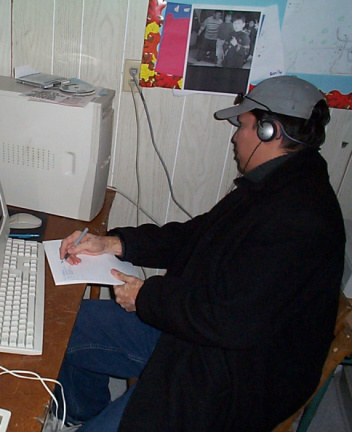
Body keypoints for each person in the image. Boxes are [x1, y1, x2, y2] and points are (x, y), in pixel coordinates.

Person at [54, 75, 345, 432]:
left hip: (235, 377)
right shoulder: (274, 184)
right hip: (200, 333)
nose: (236, 136)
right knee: (64, 324)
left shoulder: (302, 220)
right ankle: (78, 413)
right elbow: (195, 236)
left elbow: (233, 320)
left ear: (271, 131)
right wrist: (114, 243)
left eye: (243, 125)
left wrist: (147, 298)